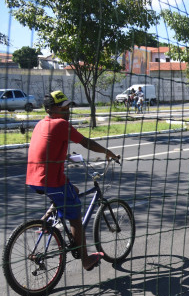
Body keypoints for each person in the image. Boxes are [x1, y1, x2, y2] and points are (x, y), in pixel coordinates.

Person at [26, 90, 120, 271]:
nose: (68, 111)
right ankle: (85, 259)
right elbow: (86, 142)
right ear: (52, 109)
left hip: (33, 179)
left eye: (68, 107)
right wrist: (108, 152)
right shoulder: (61, 124)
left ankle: (46, 221)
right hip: (51, 180)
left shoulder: (41, 124)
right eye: (64, 108)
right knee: (76, 217)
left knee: (73, 191)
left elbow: (46, 146)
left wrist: (65, 155)